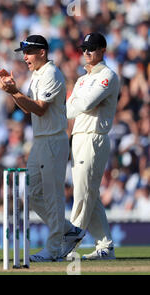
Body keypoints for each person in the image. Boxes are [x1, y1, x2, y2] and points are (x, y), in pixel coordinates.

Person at [0, 35, 81, 262]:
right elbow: (28, 109)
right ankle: (69, 230)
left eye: (29, 52)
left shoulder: (52, 73)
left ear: (42, 52)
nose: (25, 57)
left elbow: (41, 109)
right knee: (32, 195)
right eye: (23, 52)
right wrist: (13, 91)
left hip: (53, 140)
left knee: (53, 197)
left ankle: (54, 249)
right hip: (40, 140)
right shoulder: (36, 75)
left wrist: (13, 91)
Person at [64, 32, 120, 260]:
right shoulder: (82, 79)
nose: (86, 52)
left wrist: (80, 101)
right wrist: (80, 102)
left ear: (103, 50)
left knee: (83, 193)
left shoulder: (108, 75)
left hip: (94, 136)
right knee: (90, 193)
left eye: (92, 48)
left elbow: (84, 103)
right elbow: (69, 110)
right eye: (84, 49)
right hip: (78, 136)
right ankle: (105, 246)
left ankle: (67, 244)